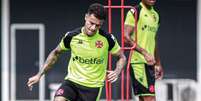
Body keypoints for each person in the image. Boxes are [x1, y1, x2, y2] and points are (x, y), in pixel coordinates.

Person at [27, 3, 126, 101]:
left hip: (93, 87)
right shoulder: (72, 36)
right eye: (91, 23)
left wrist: (117, 72)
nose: (93, 28)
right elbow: (55, 53)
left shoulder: (107, 39)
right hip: (72, 82)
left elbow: (122, 57)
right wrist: (39, 75)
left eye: (98, 25)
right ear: (86, 17)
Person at [124, 0, 164, 101]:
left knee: (144, 98)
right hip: (138, 62)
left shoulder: (156, 15)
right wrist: (144, 53)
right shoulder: (135, 11)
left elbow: (153, 40)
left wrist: (158, 63)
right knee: (150, 98)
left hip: (150, 63)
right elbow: (126, 37)